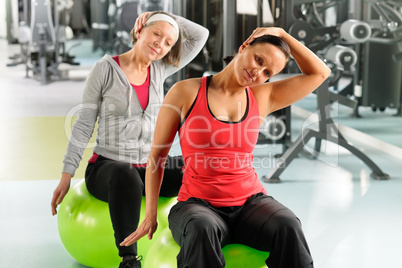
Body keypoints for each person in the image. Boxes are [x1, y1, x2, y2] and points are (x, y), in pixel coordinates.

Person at [120, 26, 331, 267]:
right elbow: (157, 155)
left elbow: (320, 73)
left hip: (251, 204)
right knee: (202, 228)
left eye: (267, 72)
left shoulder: (264, 97)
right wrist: (149, 215)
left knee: (288, 225)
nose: (257, 72)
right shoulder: (186, 91)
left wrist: (283, 34)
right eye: (258, 59)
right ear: (244, 47)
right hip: (197, 205)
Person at [51, 10, 209, 268]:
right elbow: (83, 124)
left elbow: (200, 35)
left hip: (148, 168)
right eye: (156, 33)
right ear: (139, 30)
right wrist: (67, 174)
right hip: (108, 168)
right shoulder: (104, 69)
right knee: (124, 174)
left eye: (168, 42)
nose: (160, 44)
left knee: (197, 164)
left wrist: (164, 17)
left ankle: (206, 237)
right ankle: (129, 259)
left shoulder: (161, 68)